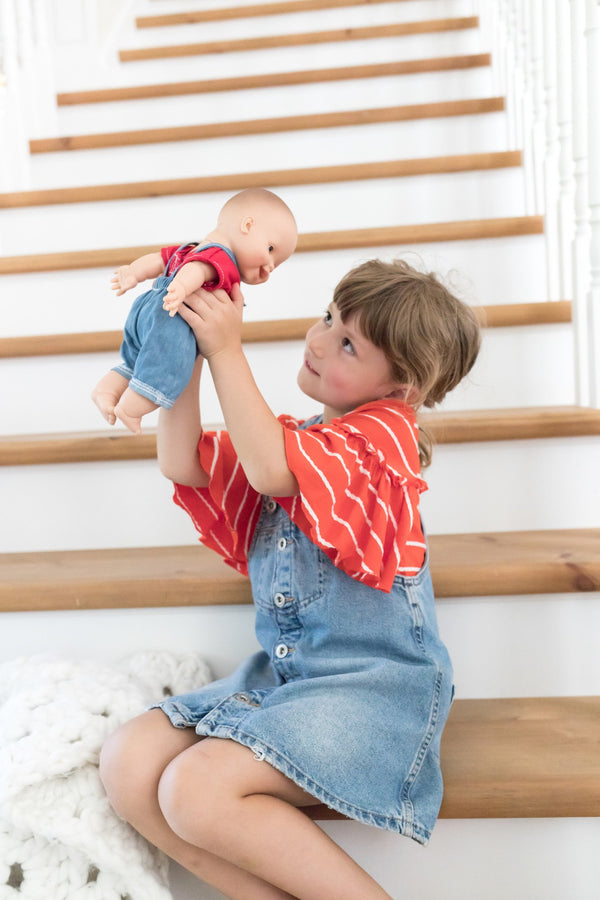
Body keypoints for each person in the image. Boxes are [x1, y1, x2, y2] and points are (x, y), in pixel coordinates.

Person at [99, 258, 481, 900]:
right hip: (290, 676)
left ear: (404, 388)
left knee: (196, 789)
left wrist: (226, 349)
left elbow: (276, 472)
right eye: (330, 318)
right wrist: (180, 354)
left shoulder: (384, 440)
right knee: (129, 764)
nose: (318, 339)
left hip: (372, 690)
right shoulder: (300, 438)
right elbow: (183, 461)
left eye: (349, 343)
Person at [91, 187, 297, 433]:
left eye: (277, 263)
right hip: (171, 318)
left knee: (137, 360)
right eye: (271, 250)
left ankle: (107, 389)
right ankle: (131, 408)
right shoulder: (223, 258)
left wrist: (133, 272)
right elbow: (200, 270)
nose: (271, 266)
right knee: (168, 368)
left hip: (145, 308)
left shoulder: (189, 247)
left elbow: (158, 260)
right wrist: (181, 288)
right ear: (247, 225)